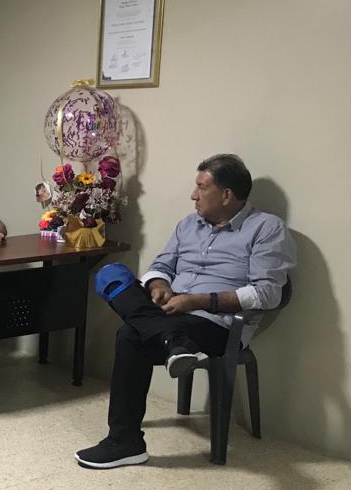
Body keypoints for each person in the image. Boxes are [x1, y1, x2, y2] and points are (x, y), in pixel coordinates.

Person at [77, 154, 296, 469]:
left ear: (226, 195)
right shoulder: (188, 225)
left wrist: (197, 301)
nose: (193, 195)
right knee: (110, 274)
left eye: (201, 187)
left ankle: (124, 441)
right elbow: (161, 266)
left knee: (130, 334)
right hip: (171, 312)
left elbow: (267, 293)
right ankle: (173, 342)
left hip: (217, 324)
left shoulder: (266, 228)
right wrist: (158, 286)